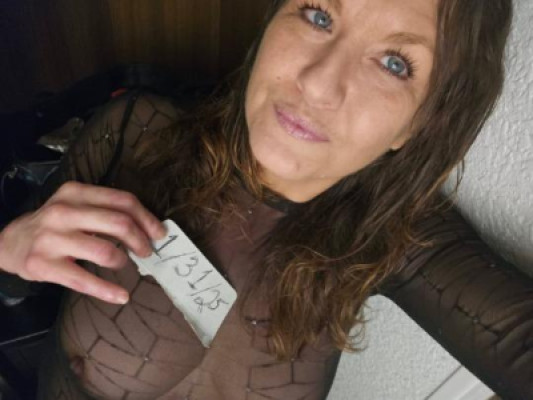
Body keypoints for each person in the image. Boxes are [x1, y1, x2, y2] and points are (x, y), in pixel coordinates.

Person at [0, 0, 530, 399]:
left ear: (421, 123)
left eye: (394, 63)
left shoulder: (393, 235)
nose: (318, 84)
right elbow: (17, 284)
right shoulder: (136, 133)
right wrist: (6, 250)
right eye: (319, 15)